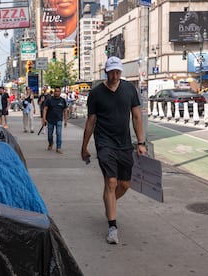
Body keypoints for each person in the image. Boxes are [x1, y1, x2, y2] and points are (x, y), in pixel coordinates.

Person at [80, 56, 147, 245]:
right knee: (111, 181)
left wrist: (140, 142)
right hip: (104, 143)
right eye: (112, 72)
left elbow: (136, 117)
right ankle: (112, 226)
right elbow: (91, 121)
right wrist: (84, 147)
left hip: (124, 144)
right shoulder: (96, 93)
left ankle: (110, 202)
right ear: (106, 72)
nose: (116, 75)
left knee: (124, 184)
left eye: (118, 72)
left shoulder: (129, 90)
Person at [42, 86, 68, 153]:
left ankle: (58, 147)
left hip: (59, 120)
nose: (57, 93)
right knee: (49, 134)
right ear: (54, 92)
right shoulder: (49, 99)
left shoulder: (62, 100)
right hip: (50, 120)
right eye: (55, 91)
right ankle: (51, 143)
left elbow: (65, 110)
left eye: (58, 91)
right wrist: (44, 119)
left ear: (60, 92)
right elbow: (45, 109)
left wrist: (65, 120)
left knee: (59, 134)